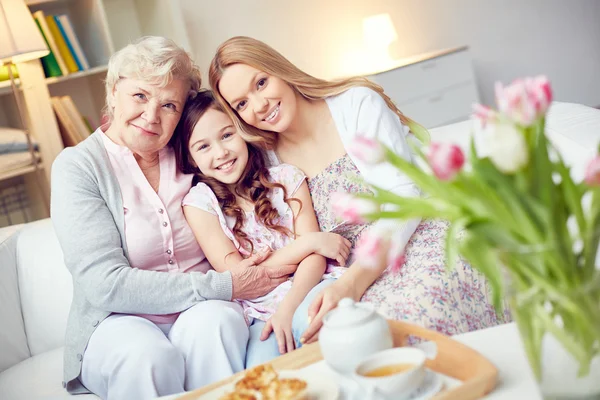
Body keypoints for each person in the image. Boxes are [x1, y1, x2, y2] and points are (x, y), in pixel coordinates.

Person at [208, 36, 509, 344]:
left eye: (261, 83)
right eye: (241, 104)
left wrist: (353, 283)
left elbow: (405, 197)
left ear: (279, 70)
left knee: (406, 320)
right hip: (341, 271)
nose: (259, 106)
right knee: (345, 338)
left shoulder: (355, 103)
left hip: (416, 234)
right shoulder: (266, 158)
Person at [50, 36, 296, 400]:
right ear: (114, 92)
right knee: (146, 356)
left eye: (169, 104)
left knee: (219, 323)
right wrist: (225, 285)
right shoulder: (78, 167)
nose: (151, 116)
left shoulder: (192, 150)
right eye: (139, 96)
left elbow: (261, 170)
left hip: (202, 310)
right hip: (117, 320)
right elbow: (104, 284)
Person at [172, 90, 352, 367]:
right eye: (203, 147)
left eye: (227, 135)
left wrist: (290, 307)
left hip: (310, 286)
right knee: (261, 371)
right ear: (192, 158)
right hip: (258, 313)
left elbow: (316, 259)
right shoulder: (199, 204)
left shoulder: (286, 177)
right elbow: (239, 275)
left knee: (313, 326)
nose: (221, 153)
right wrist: (307, 244)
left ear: (243, 131)